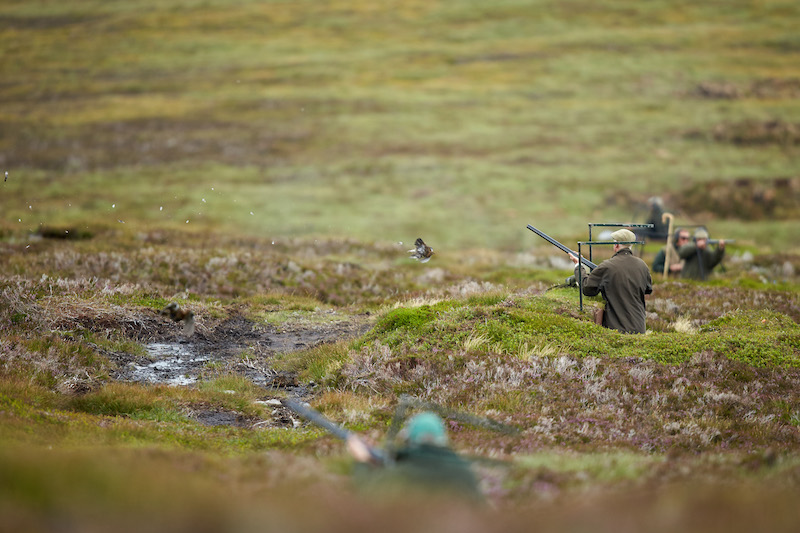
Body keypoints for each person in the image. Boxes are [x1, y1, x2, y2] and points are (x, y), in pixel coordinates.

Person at [347, 412, 483, 501]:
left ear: (409, 440)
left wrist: (363, 461)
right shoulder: (465, 473)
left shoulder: (402, 473)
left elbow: (369, 495)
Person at [570, 228, 653, 334]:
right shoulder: (642, 265)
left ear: (616, 245)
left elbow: (587, 288)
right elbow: (648, 289)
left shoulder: (607, 266)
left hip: (617, 330)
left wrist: (578, 265)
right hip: (639, 328)